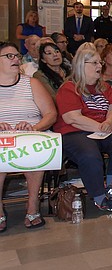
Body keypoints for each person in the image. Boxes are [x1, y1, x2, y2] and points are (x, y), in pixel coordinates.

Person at [54, 47, 112, 213]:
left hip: (101, 129)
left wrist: (109, 123)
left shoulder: (103, 86)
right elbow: (72, 118)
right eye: (95, 63)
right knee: (90, 154)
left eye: (100, 62)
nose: (100, 66)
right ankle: (99, 198)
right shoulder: (68, 88)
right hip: (74, 131)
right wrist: (103, 127)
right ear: (82, 65)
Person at [0, 42, 57, 231]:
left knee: (36, 151)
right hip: (2, 139)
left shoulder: (31, 83)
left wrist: (34, 127)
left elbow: (50, 114)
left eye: (17, 55)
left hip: (30, 135)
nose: (16, 59)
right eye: (9, 56)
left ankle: (32, 208)